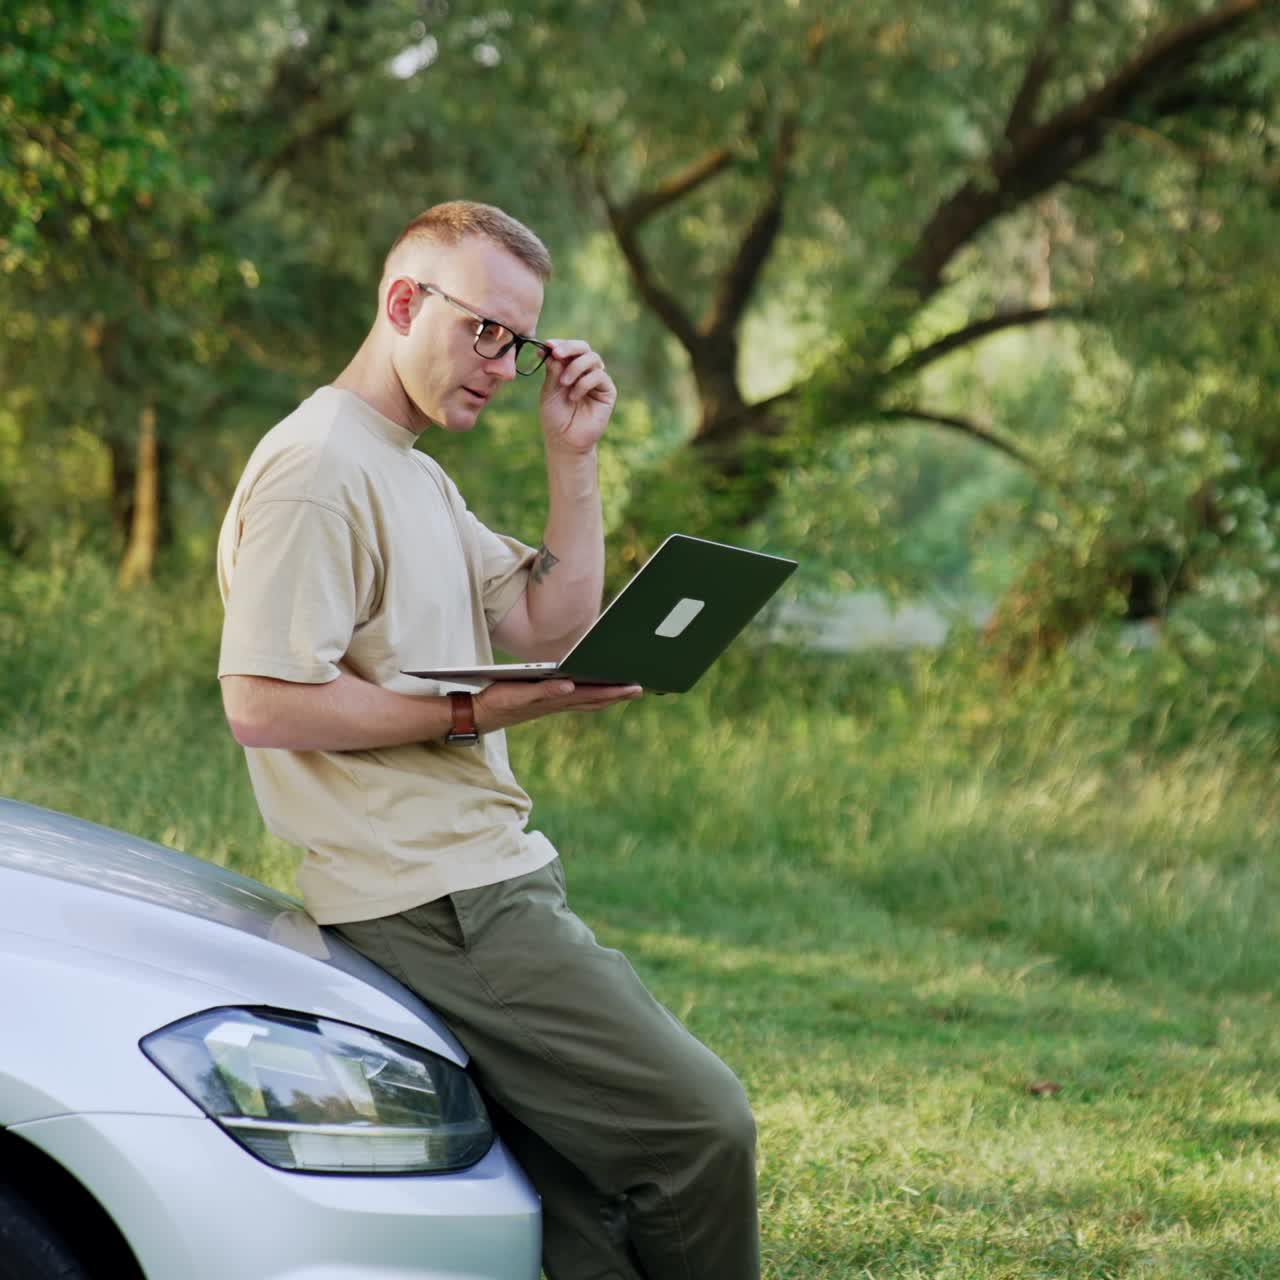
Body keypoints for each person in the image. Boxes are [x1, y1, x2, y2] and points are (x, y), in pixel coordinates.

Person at [216, 200, 759, 1279]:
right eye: (486, 332)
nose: (503, 366)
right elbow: (265, 700)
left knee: (572, 1221)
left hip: (485, 882)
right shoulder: (319, 467)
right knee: (703, 1129)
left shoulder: (407, 465)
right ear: (403, 301)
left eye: (521, 342)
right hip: (435, 899)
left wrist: (575, 462)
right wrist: (475, 712)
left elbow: (544, 625)